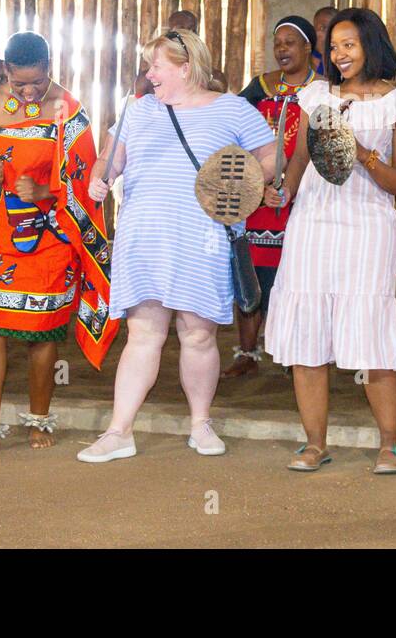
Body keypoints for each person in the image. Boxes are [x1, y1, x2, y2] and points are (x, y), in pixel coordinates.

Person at [77, 29, 276, 462]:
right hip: (145, 236)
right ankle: (118, 431)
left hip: (201, 239)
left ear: (186, 69)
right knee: (143, 333)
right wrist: (99, 178)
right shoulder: (138, 109)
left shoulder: (232, 109)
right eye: (149, 66)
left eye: (157, 67)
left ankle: (200, 424)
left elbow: (268, 155)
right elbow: (111, 158)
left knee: (199, 334)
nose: (149, 75)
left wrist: (251, 186)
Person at [263, 8, 396, 474]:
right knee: (307, 333)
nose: (338, 54)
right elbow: (299, 158)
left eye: (349, 45)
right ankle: (315, 443)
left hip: (368, 225)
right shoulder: (316, 95)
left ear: (371, 45)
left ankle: (390, 443)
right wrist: (285, 187)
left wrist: (358, 152)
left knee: (370, 331)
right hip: (312, 222)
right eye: (333, 46)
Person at [0, 31, 115, 456]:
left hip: (51, 238)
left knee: (42, 330)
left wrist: (45, 194)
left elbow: (86, 185)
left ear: (50, 68)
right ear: (7, 71)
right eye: (19, 82)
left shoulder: (70, 112)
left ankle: (38, 419)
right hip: (1, 234)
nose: (28, 91)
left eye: (36, 82)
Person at [221, 15, 319, 380]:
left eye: (290, 42)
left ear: (308, 48)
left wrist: (292, 184)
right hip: (259, 198)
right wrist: (255, 186)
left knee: (295, 277)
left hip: (305, 197)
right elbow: (237, 136)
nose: (282, 49)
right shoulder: (259, 88)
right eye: (278, 43)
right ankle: (247, 352)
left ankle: (295, 354)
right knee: (253, 272)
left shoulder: (321, 90)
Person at [137, 10, 228, 94]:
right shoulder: (146, 80)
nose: (188, 35)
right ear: (169, 34)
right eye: (180, 30)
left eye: (193, 30)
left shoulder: (215, 78)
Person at [311, 5, 336, 76]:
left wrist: (325, 54)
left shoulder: (340, 55)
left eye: (332, 29)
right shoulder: (307, 55)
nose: (328, 33)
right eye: (323, 28)